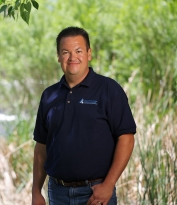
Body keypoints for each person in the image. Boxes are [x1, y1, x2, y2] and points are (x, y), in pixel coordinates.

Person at [32, 26, 136, 205]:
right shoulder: (49, 95)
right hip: (57, 194)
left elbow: (126, 138)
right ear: (58, 57)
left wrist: (108, 185)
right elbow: (41, 148)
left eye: (78, 51)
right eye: (66, 52)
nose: (73, 58)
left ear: (89, 53)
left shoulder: (109, 90)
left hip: (95, 194)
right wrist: (36, 192)